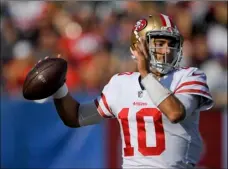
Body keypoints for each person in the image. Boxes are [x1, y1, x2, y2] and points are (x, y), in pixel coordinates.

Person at [42, 13, 214, 168]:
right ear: (138, 47)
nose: (167, 50)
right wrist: (59, 87)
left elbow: (175, 113)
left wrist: (147, 75)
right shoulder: (121, 83)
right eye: (160, 43)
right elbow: (76, 117)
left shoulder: (189, 76)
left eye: (172, 44)